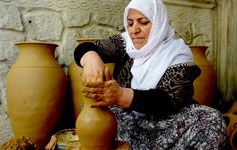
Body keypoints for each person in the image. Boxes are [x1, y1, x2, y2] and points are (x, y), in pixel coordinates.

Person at [73, 0, 227, 149]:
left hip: (168, 125)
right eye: (130, 23)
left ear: (159, 22)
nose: (134, 30)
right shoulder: (126, 43)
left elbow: (167, 100)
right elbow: (84, 48)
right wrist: (91, 59)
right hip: (131, 123)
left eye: (143, 22)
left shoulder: (177, 53)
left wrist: (121, 95)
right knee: (94, 110)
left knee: (211, 119)